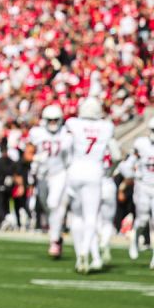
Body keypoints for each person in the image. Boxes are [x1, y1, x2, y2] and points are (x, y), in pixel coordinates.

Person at [63, 98, 114, 274]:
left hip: (75, 171)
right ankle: (86, 250)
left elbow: (64, 147)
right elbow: (115, 153)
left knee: (77, 216)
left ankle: (79, 257)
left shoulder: (73, 123)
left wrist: (66, 166)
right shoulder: (106, 126)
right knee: (91, 217)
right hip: (95, 171)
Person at [28, 105, 70, 258]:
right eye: (50, 120)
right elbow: (27, 153)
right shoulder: (37, 133)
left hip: (60, 174)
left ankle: (54, 241)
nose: (53, 123)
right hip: (42, 176)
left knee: (54, 205)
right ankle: (57, 236)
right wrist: (36, 158)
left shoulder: (66, 134)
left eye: (55, 120)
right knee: (47, 207)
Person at [124, 119, 154, 265]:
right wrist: (133, 174)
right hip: (143, 186)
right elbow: (128, 164)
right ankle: (135, 240)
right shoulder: (142, 144)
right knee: (142, 219)